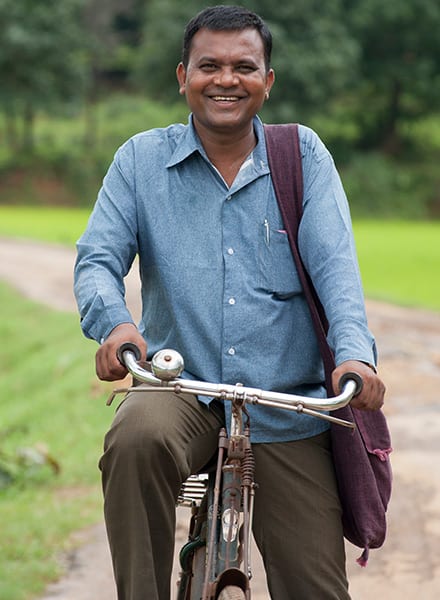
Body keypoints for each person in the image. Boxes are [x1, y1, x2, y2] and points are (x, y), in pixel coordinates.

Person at [74, 5, 386, 599]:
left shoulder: (304, 157)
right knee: (134, 439)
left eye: (244, 67)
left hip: (286, 401)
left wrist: (355, 356)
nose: (225, 79)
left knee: (316, 587)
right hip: (181, 389)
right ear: (182, 76)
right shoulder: (140, 160)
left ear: (267, 81)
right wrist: (115, 327)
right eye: (208, 65)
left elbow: (337, 272)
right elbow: (97, 261)